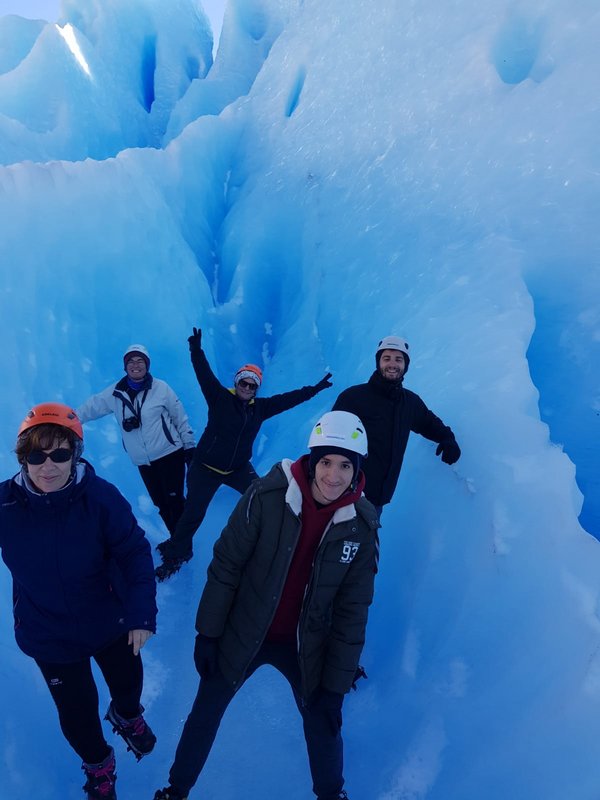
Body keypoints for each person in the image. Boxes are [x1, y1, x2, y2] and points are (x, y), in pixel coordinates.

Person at [152, 410, 379, 800]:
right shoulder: (268, 496)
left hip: (305, 645)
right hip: (245, 629)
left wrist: (336, 685)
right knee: (206, 711)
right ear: (312, 461)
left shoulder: (361, 524)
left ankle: (332, 794)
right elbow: (227, 563)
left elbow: (352, 610)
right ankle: (175, 791)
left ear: (356, 471)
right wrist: (208, 632)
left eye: (345, 465)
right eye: (326, 461)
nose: (333, 475)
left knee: (324, 723)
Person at [0, 403, 158, 800]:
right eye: (36, 455)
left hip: (108, 620)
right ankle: (99, 766)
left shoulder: (101, 498)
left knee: (128, 685)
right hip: (48, 634)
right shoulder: (5, 506)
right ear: (23, 458)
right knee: (77, 714)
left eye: (60, 454)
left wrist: (141, 614)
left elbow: (134, 553)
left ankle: (126, 714)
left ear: (76, 454)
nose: (47, 465)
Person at [155, 326, 333, 580]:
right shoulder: (219, 398)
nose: (247, 387)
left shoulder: (259, 408)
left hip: (237, 467)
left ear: (256, 388)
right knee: (192, 514)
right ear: (236, 381)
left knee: (263, 496)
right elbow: (203, 374)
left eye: (252, 384)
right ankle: (177, 552)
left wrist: (314, 389)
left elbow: (288, 400)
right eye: (244, 382)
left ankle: (269, 549)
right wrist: (196, 349)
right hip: (205, 467)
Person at [333, 335, 461, 516]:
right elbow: (328, 442)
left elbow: (429, 423)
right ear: (378, 363)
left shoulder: (409, 402)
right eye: (386, 358)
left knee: (368, 543)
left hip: (377, 500)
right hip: (344, 495)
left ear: (405, 365)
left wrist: (448, 438)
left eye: (398, 359)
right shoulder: (353, 398)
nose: (392, 364)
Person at [77, 344, 195, 537]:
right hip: (143, 460)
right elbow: (93, 406)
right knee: (161, 503)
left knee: (174, 500)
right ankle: (177, 539)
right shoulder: (116, 392)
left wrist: (189, 446)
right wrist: (68, 419)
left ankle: (183, 545)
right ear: (125, 367)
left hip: (169, 454)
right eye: (131, 361)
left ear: (147, 365)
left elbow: (179, 417)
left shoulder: (161, 388)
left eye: (140, 361)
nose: (135, 365)